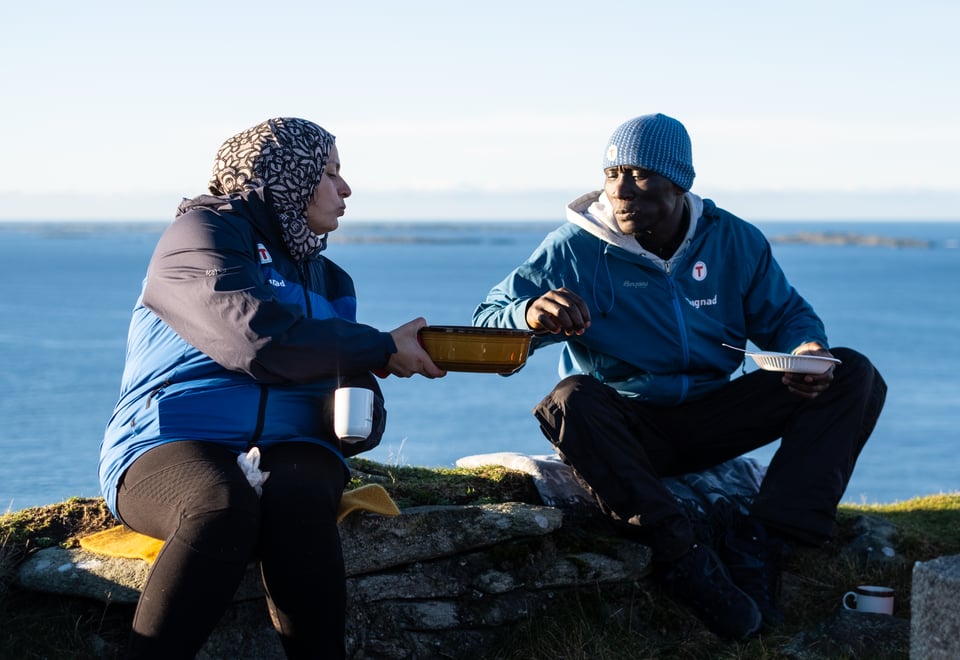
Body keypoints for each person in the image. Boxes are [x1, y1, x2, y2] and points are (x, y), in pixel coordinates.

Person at [473, 113, 886, 639]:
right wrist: (529, 313)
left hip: (713, 418)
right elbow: (487, 319)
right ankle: (685, 559)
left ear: (679, 182)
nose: (621, 189)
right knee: (569, 399)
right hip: (628, 428)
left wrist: (806, 349)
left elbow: (786, 317)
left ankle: (766, 543)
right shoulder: (574, 248)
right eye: (612, 173)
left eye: (640, 174)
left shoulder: (733, 240)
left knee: (851, 372)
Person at [100, 117, 446, 659]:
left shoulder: (330, 278)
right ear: (286, 176)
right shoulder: (202, 235)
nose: (346, 189)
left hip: (297, 443)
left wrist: (364, 415)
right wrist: (381, 347)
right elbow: (256, 342)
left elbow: (340, 370)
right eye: (329, 173)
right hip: (174, 436)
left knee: (302, 505)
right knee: (221, 507)